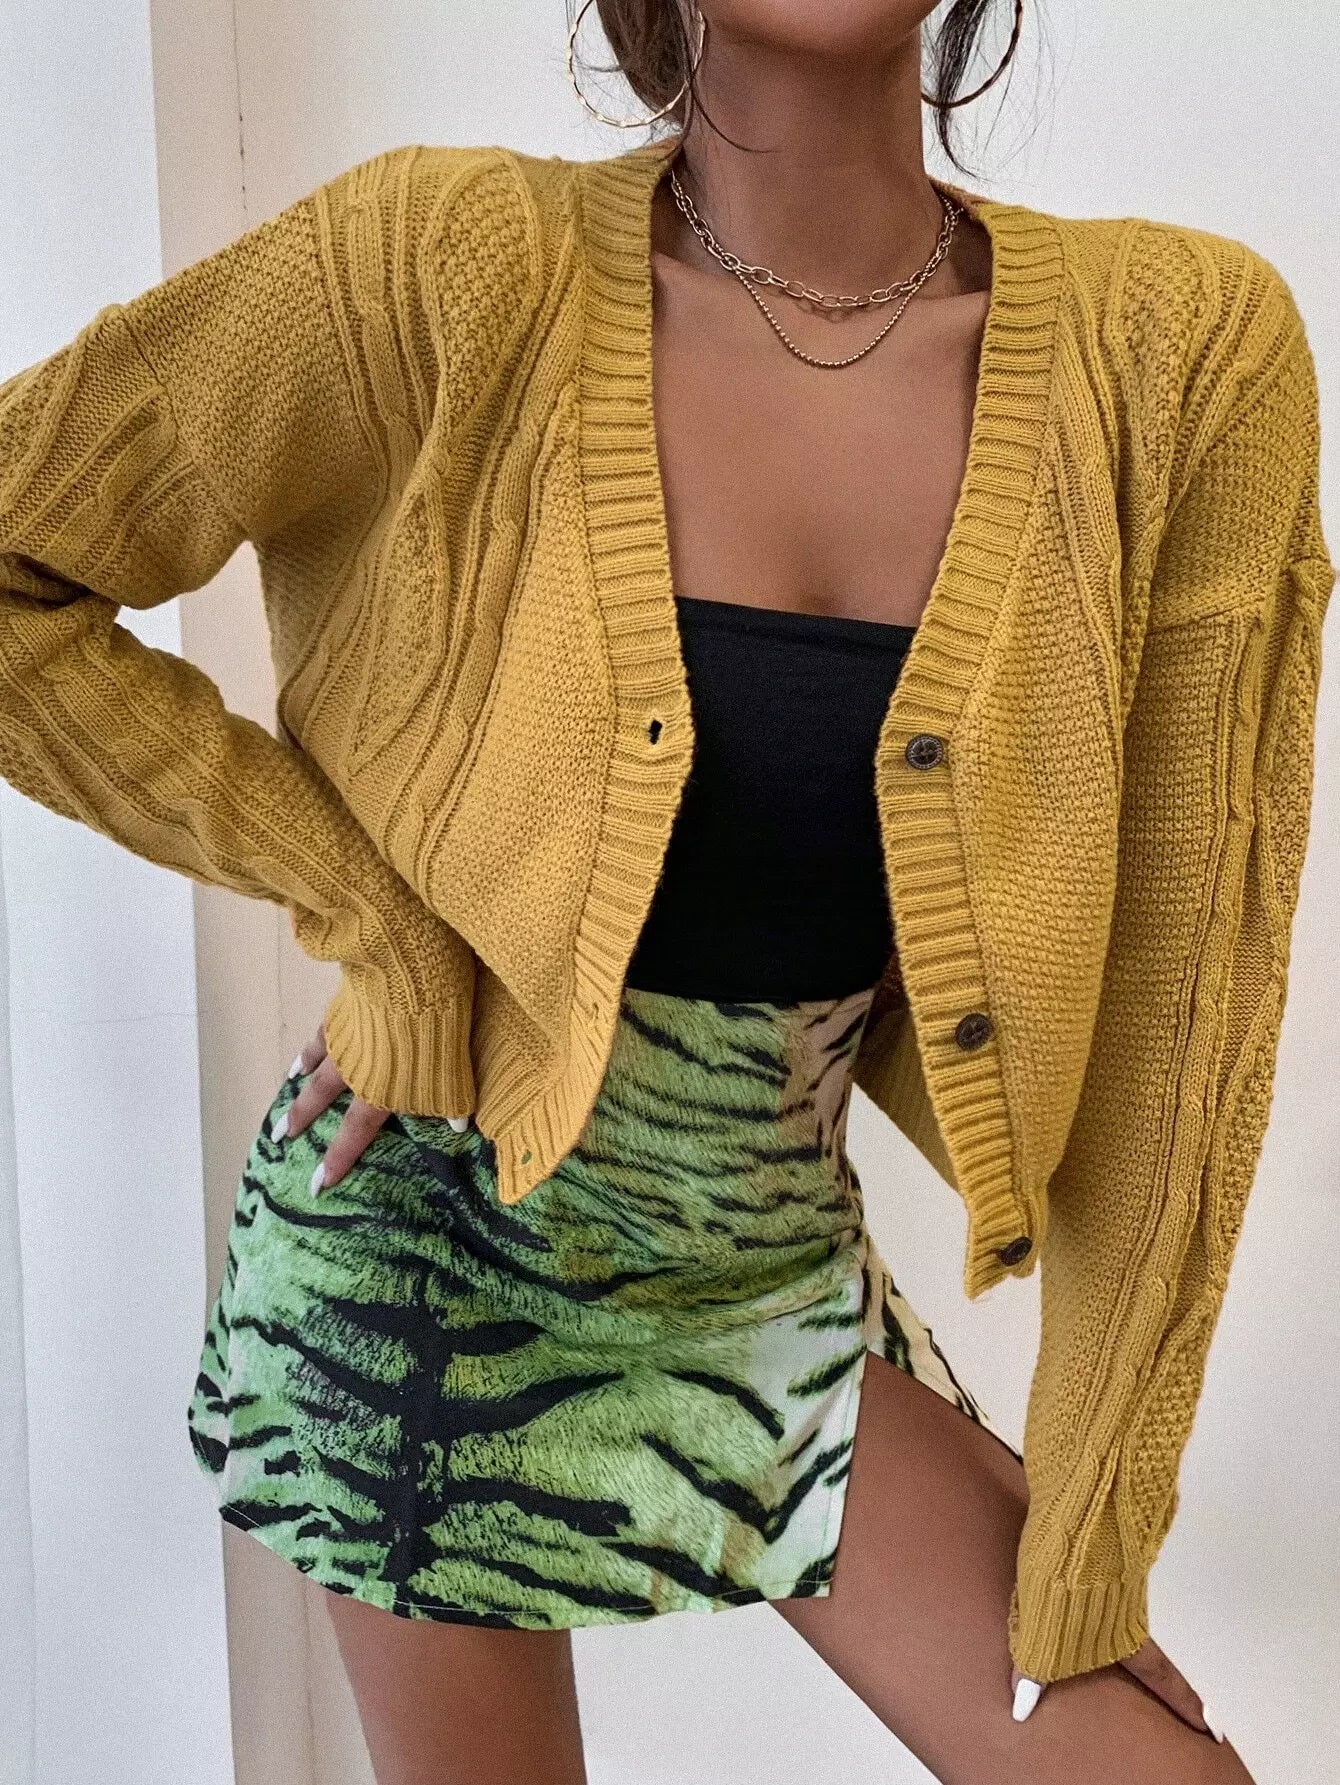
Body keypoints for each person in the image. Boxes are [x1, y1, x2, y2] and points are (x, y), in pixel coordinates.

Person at [0, 2, 1331, 1780]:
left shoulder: (1184, 356)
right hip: (427, 1261)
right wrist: (372, 919)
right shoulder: (435, 264)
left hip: (764, 1252)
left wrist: (1087, 1524)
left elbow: (1189, 999)